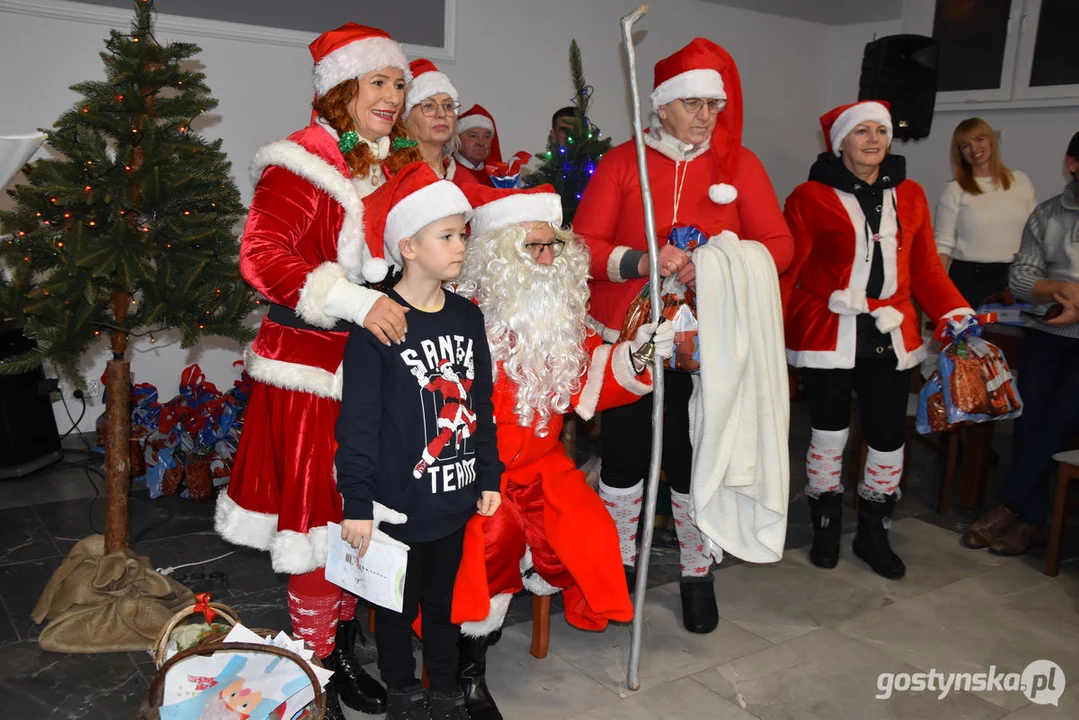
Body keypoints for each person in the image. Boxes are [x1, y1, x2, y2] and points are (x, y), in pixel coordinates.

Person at [214, 23, 423, 718]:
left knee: (355, 519)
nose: (393, 94)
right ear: (341, 89)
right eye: (379, 81)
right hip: (310, 379)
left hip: (371, 373)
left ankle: (337, 650)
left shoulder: (384, 164)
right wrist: (354, 300)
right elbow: (262, 260)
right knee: (316, 525)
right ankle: (315, 668)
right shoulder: (298, 162)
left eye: (398, 82)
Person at [574, 37, 794, 635]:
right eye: (691, 103)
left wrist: (720, 262)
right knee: (622, 455)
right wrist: (645, 260)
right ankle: (618, 567)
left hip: (706, 342)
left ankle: (698, 570)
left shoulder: (740, 166)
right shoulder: (624, 163)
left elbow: (780, 246)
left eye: (713, 105)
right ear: (662, 106)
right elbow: (583, 247)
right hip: (630, 339)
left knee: (694, 457)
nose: (704, 115)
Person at [447, 183, 674, 720]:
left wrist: (638, 357)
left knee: (589, 526)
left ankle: (509, 627)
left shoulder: (559, 320)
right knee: (493, 540)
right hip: (473, 473)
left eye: (555, 247)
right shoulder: (460, 320)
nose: (549, 258)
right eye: (535, 248)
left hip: (543, 467)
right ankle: (468, 670)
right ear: (500, 255)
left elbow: (589, 379)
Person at [336, 162, 502, 720]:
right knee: (393, 605)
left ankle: (447, 690)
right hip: (397, 504)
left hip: (453, 495)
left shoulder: (467, 316)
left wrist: (488, 474)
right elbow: (358, 422)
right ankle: (404, 694)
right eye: (447, 236)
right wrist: (357, 502)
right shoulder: (379, 324)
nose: (460, 246)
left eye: (463, 235)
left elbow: (480, 403)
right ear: (408, 245)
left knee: (442, 606)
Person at [781, 101, 973, 580]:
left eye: (880, 131)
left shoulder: (911, 195)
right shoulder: (808, 196)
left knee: (888, 437)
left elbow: (926, 267)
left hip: (891, 332)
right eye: (861, 131)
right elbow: (791, 270)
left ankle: (874, 532)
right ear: (841, 142)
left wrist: (955, 313)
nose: (872, 140)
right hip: (829, 329)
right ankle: (826, 527)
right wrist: (769, 329)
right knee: (827, 433)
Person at [962, 131, 1079, 556]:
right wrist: (1062, 291)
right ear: (1072, 164)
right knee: (1028, 420)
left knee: (1059, 420)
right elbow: (1021, 280)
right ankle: (1032, 520)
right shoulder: (1048, 214)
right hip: (1047, 332)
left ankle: (1012, 506)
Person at [934, 118, 1037, 307]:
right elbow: (943, 245)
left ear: (991, 141)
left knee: (1011, 337)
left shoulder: (1021, 181)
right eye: (965, 145)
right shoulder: (955, 190)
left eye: (979, 139)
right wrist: (937, 290)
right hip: (969, 279)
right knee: (968, 337)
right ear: (960, 153)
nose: (974, 148)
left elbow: (1035, 235)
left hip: (1016, 277)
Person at [398, 58, 473, 184]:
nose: (442, 114)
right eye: (428, 106)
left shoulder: (465, 178)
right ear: (407, 117)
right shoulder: (395, 174)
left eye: (448, 106)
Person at [455, 104, 500, 186]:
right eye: (473, 136)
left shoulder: (498, 179)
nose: (481, 143)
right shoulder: (446, 173)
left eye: (486, 137)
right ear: (457, 139)